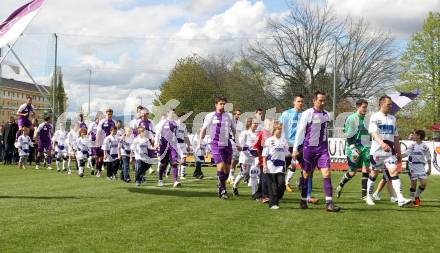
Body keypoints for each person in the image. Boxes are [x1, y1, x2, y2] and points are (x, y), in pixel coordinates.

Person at [293, 91, 340, 212]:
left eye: (324, 100)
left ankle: (329, 203)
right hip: (309, 149)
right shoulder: (307, 113)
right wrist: (295, 149)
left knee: (327, 173)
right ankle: (303, 199)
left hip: (323, 149)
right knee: (306, 175)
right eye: (320, 100)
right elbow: (300, 131)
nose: (323, 103)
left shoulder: (326, 114)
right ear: (314, 100)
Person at [366, 95, 412, 207]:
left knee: (394, 171)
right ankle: (368, 196)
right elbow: (373, 133)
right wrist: (382, 143)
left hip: (389, 153)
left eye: (391, 104)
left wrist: (399, 152)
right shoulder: (375, 117)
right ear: (381, 104)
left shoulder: (393, 118)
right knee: (374, 174)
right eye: (388, 104)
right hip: (377, 151)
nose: (390, 106)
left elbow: (396, 136)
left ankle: (400, 199)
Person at [199, 96, 236, 199]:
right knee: (220, 166)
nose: (223, 106)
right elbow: (203, 129)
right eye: (221, 104)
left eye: (224, 104)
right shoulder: (210, 116)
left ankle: (220, 184)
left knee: (227, 169)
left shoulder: (229, 116)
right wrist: (200, 142)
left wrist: (237, 141)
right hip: (215, 144)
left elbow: (234, 129)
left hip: (227, 144)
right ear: (216, 104)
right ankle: (223, 190)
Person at [335, 99, 371, 200]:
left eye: (366, 107)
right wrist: (353, 148)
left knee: (366, 169)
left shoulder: (367, 119)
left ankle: (364, 196)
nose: (365, 109)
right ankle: (340, 185)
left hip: (365, 146)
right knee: (352, 172)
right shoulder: (351, 118)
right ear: (358, 107)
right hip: (353, 148)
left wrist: (368, 145)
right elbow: (349, 135)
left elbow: (368, 133)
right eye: (363, 107)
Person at [262, 121, 289, 209]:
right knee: (273, 187)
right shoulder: (269, 140)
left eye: (281, 129)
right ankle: (273, 204)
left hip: (281, 166)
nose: (280, 131)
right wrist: (264, 165)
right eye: (278, 129)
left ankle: (277, 197)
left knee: (281, 184)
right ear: (274, 129)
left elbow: (286, 153)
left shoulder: (284, 140)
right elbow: (264, 155)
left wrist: (292, 157)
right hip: (270, 167)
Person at [402, 130, 431, 207]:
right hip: (412, 167)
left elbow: (428, 158)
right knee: (413, 185)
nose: (412, 136)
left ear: (419, 136)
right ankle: (412, 201)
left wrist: (430, 168)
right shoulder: (412, 145)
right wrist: (399, 156)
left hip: (421, 167)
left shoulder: (425, 146)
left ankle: (416, 196)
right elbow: (405, 154)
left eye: (414, 135)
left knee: (424, 184)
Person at [232, 117, 258, 197]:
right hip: (245, 157)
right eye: (254, 123)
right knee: (244, 173)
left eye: (257, 124)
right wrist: (248, 150)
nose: (256, 125)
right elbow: (241, 146)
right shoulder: (245, 133)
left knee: (254, 174)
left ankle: (254, 193)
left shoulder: (257, 134)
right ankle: (234, 186)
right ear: (250, 124)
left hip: (254, 158)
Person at [155, 109, 181, 188]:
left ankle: (175, 181)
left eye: (174, 112)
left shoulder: (176, 123)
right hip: (163, 145)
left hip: (173, 146)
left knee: (174, 162)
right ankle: (160, 180)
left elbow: (176, 135)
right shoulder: (163, 122)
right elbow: (157, 133)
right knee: (163, 163)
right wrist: (156, 143)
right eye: (171, 112)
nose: (173, 113)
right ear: (167, 113)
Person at [252, 118, 273, 203]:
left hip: (271, 160)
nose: (270, 125)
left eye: (271, 124)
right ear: (265, 125)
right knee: (265, 178)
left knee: (264, 178)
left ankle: (258, 194)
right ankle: (265, 196)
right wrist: (257, 158)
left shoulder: (272, 134)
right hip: (263, 160)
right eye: (268, 124)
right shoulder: (262, 134)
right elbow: (255, 146)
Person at [96, 109, 116, 177]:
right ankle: (98, 171)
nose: (109, 115)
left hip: (111, 143)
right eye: (108, 114)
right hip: (102, 142)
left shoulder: (114, 122)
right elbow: (98, 132)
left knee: (112, 157)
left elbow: (115, 132)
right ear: (106, 114)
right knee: (101, 157)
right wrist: (97, 142)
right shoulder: (102, 121)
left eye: (111, 114)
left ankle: (111, 173)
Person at [227, 109, 244, 183]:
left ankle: (231, 175)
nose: (239, 116)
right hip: (231, 141)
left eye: (240, 114)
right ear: (234, 115)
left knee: (236, 159)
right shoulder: (230, 122)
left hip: (238, 142)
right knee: (233, 158)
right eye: (237, 114)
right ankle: (230, 175)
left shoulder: (241, 124)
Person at [176, 112, 191, 180]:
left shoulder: (184, 126)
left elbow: (186, 136)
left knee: (184, 158)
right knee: (176, 160)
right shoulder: (174, 124)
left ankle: (182, 174)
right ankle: (172, 171)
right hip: (175, 144)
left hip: (182, 144)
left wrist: (188, 145)